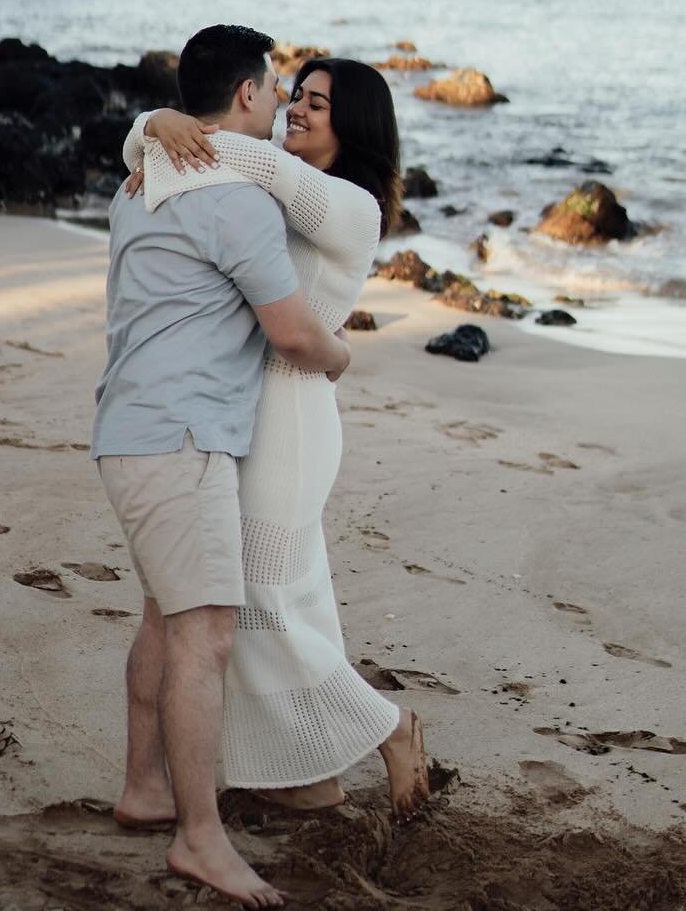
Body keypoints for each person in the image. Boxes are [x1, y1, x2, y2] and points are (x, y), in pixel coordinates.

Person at [123, 52, 431, 821]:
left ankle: (393, 730)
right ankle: (309, 777)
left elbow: (245, 155)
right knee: (296, 598)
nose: (296, 108)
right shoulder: (283, 189)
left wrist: (153, 130)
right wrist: (147, 133)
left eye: (317, 104)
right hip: (246, 411)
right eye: (295, 95)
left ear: (352, 123)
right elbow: (231, 159)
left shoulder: (347, 204)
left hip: (290, 422)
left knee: (256, 598)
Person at [91, 24, 352, 909]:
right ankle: (200, 839)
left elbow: (147, 138)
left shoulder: (144, 176)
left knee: (166, 619)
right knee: (206, 635)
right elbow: (290, 330)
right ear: (244, 94)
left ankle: (145, 789)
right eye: (276, 88)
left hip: (130, 429)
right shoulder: (233, 199)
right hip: (183, 437)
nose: (282, 103)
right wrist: (341, 357)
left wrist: (151, 121)